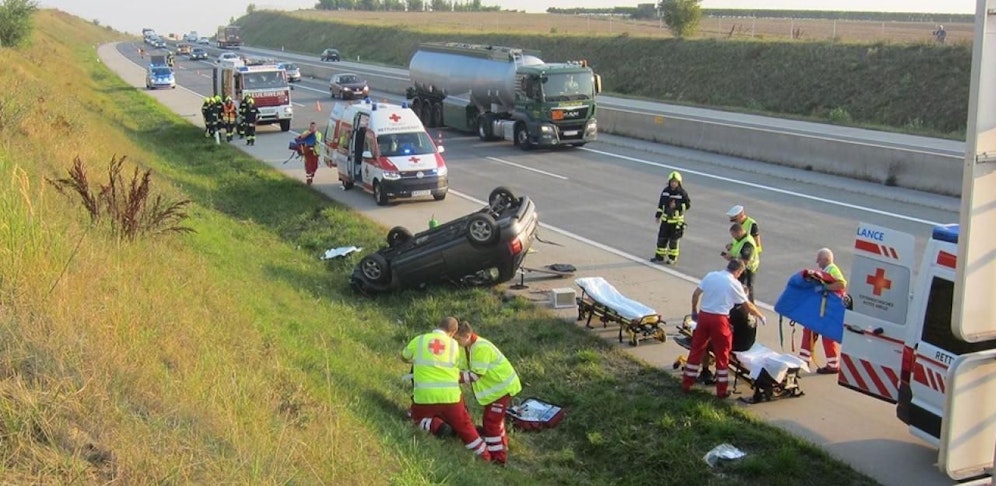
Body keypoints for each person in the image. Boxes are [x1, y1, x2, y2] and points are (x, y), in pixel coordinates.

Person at [401, 317, 492, 462]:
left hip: (424, 397)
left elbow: (404, 356)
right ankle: (485, 456)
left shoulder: (419, 340)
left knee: (415, 416)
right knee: (465, 427)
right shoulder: (455, 346)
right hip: (451, 398)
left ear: (437, 325)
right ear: (454, 332)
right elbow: (459, 366)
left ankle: (434, 425)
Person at [685, 260, 766, 398]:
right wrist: (760, 316)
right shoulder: (734, 283)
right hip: (720, 320)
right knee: (722, 354)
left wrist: (694, 310)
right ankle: (721, 391)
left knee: (696, 350)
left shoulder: (711, 276)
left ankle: (687, 384)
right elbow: (747, 306)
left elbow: (695, 294)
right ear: (738, 271)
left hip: (704, 316)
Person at [454, 321, 521, 465]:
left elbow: (476, 374)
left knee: (491, 422)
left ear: (467, 336)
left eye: (458, 339)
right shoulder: (468, 347)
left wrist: (452, 377)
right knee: (496, 420)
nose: (456, 343)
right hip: (497, 389)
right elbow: (461, 365)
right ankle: (502, 446)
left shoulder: (480, 348)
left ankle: (498, 458)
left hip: (502, 389)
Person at [800, 248, 848, 375]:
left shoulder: (832, 270)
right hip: (824, 310)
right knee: (811, 331)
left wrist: (825, 287)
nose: (817, 261)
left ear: (826, 259)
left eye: (819, 259)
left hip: (828, 311)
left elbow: (841, 284)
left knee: (823, 335)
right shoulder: (827, 270)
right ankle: (806, 360)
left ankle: (830, 365)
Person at [651, 171, 690, 264]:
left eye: (675, 182)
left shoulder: (682, 193)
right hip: (665, 221)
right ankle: (659, 257)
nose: (673, 183)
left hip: (676, 223)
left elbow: (687, 205)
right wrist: (658, 215)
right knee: (662, 239)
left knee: (673, 241)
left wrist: (677, 206)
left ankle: (672, 258)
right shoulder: (665, 192)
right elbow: (661, 205)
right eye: (672, 181)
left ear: (679, 183)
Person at [722, 223, 758, 302]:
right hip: (738, 268)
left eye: (733, 235)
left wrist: (731, 258)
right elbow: (737, 245)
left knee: (746, 289)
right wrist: (730, 247)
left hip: (747, 270)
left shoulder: (747, 244)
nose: (733, 237)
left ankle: (749, 305)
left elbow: (745, 261)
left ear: (739, 232)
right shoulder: (739, 238)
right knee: (737, 287)